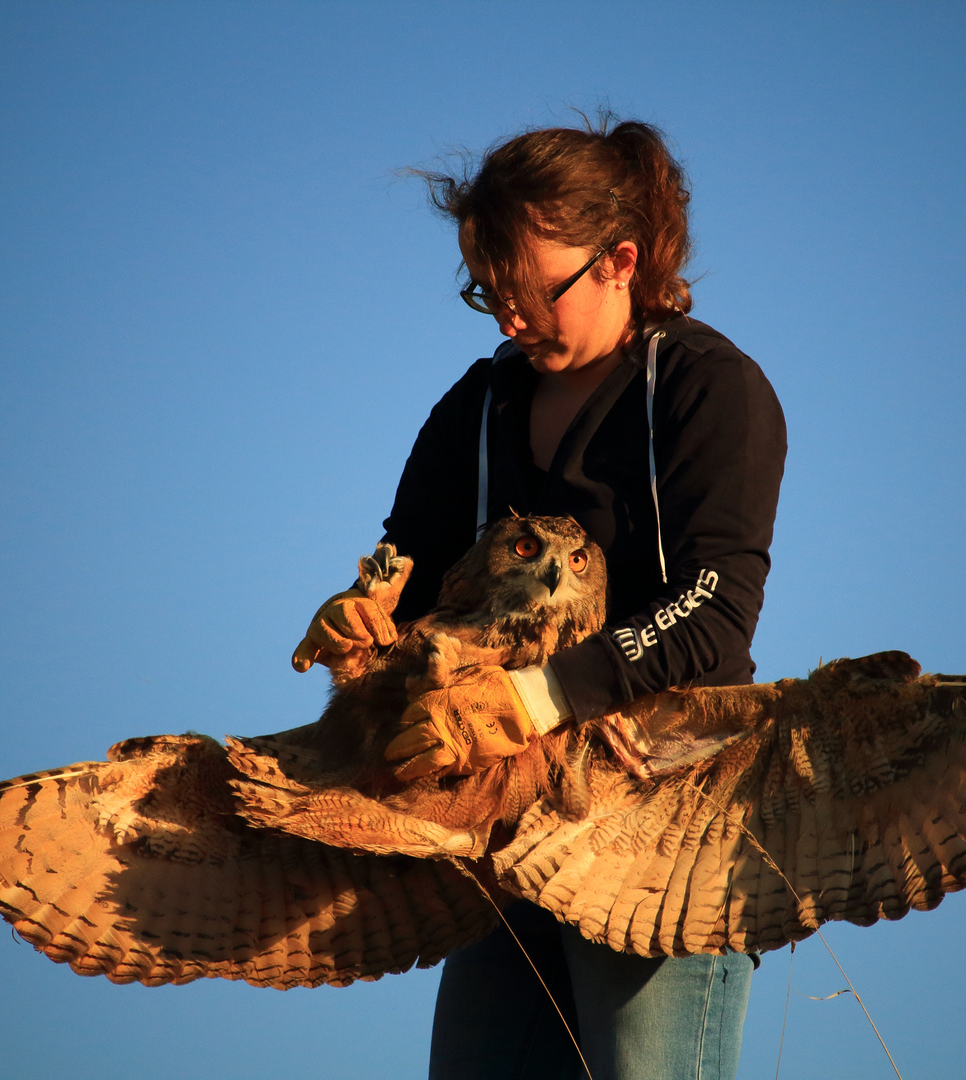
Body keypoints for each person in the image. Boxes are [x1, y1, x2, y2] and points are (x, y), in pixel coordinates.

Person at [292, 117, 787, 1080]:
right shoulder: (475, 408)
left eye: (529, 292)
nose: (508, 320)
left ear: (620, 261)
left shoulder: (707, 390)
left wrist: (536, 698)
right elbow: (413, 571)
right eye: (489, 295)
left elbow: (717, 603)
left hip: (667, 813)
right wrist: (366, 618)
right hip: (501, 826)